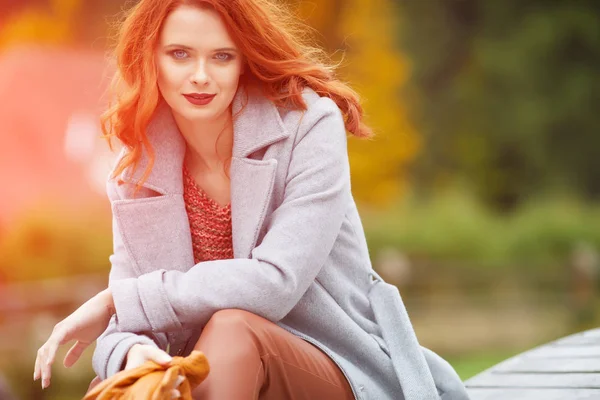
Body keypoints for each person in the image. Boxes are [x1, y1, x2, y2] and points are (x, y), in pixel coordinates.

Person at [33, 1, 470, 399]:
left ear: (242, 61)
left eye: (221, 56)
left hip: (337, 366)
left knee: (233, 329)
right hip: (214, 377)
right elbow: (128, 318)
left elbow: (275, 282)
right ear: (151, 60)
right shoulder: (136, 171)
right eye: (180, 54)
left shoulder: (308, 126)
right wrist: (132, 353)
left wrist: (114, 300)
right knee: (123, 387)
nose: (200, 75)